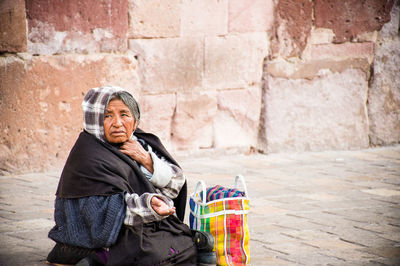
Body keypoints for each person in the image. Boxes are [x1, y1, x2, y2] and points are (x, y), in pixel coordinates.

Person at [46, 86, 215, 266]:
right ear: (93, 120)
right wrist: (149, 205)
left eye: (124, 114)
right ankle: (93, 257)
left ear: (135, 120)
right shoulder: (88, 155)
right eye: (107, 116)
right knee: (155, 253)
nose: (117, 123)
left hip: (141, 225)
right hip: (98, 229)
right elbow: (100, 212)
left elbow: (177, 183)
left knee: (180, 243)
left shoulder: (140, 143)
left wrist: (146, 159)